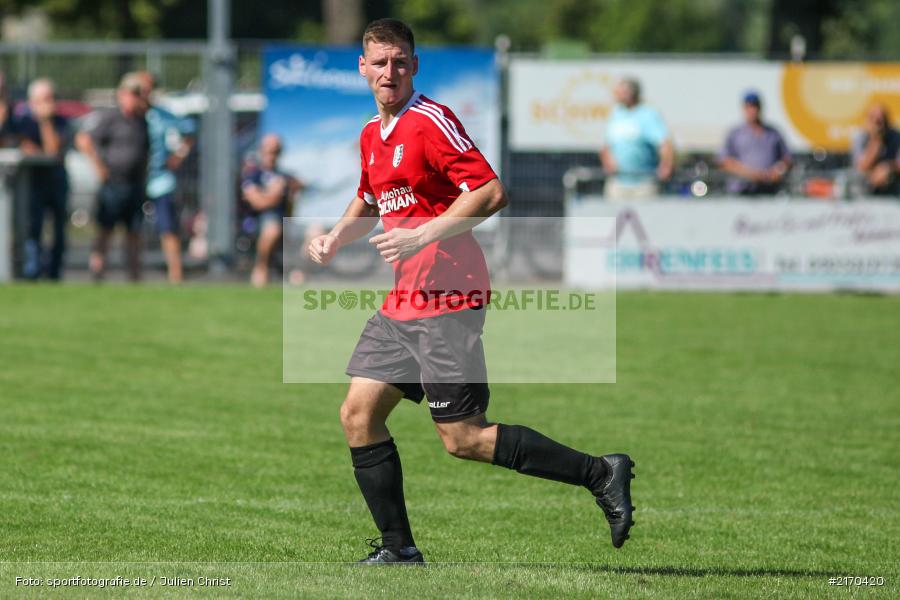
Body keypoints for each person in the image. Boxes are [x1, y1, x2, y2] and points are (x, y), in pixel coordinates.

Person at [307, 18, 635, 565]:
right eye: (380, 62)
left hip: (448, 298)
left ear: (414, 65)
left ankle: (600, 472)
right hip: (404, 301)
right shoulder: (371, 134)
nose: (390, 72)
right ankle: (399, 550)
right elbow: (369, 197)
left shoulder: (430, 120)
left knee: (463, 438)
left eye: (400, 61)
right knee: (358, 415)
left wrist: (423, 232)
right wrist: (336, 236)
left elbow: (490, 191)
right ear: (362, 67)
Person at [76, 73, 149, 281]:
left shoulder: (141, 120)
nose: (138, 98)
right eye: (134, 94)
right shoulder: (110, 117)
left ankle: (135, 279)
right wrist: (99, 167)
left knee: (134, 233)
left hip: (134, 184)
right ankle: (97, 275)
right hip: (113, 184)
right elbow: (83, 139)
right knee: (105, 231)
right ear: (123, 94)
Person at [136, 71, 196, 284]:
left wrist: (177, 156)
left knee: (167, 226)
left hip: (159, 178)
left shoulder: (163, 115)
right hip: (133, 178)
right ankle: (132, 275)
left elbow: (189, 132)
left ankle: (175, 274)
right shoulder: (127, 116)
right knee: (129, 228)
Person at [18, 78, 71, 280]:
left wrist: (45, 121)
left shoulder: (61, 121)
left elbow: (52, 150)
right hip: (32, 183)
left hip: (56, 181)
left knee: (58, 230)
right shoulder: (23, 121)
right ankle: (33, 271)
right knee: (33, 228)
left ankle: (54, 273)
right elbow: (24, 147)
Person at [241, 133, 301, 287]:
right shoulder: (253, 175)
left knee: (313, 232)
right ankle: (261, 267)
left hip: (284, 220)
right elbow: (257, 203)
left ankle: (295, 270)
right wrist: (273, 194)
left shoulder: (286, 176)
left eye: (275, 151)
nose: (271, 155)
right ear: (261, 151)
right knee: (272, 229)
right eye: (268, 150)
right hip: (257, 221)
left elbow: (292, 204)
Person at [601, 78, 673, 200]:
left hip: (644, 183)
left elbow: (664, 143)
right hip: (618, 182)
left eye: (621, 91)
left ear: (631, 93)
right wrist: (608, 162)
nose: (616, 95)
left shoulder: (648, 114)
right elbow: (606, 145)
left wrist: (666, 165)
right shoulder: (616, 113)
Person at [719, 91, 792, 196]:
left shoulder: (773, 133)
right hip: (742, 190)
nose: (752, 110)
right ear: (744, 109)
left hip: (769, 190)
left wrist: (778, 171)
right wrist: (750, 174)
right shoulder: (736, 134)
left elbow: (787, 159)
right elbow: (724, 161)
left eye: (755, 106)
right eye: (749, 107)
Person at [852, 103, 899, 196]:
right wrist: (876, 140)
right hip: (865, 188)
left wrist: (888, 167)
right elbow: (861, 167)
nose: (878, 123)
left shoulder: (897, 138)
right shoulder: (860, 137)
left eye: (881, 119)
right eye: (873, 119)